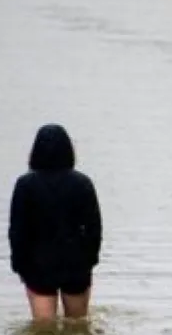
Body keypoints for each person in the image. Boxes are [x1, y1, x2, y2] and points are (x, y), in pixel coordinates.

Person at [8, 124, 103, 322]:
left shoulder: (25, 185)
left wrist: (19, 265)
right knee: (77, 325)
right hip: (75, 263)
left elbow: (18, 230)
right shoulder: (82, 183)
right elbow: (94, 228)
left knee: (43, 329)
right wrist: (90, 260)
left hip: (38, 265)